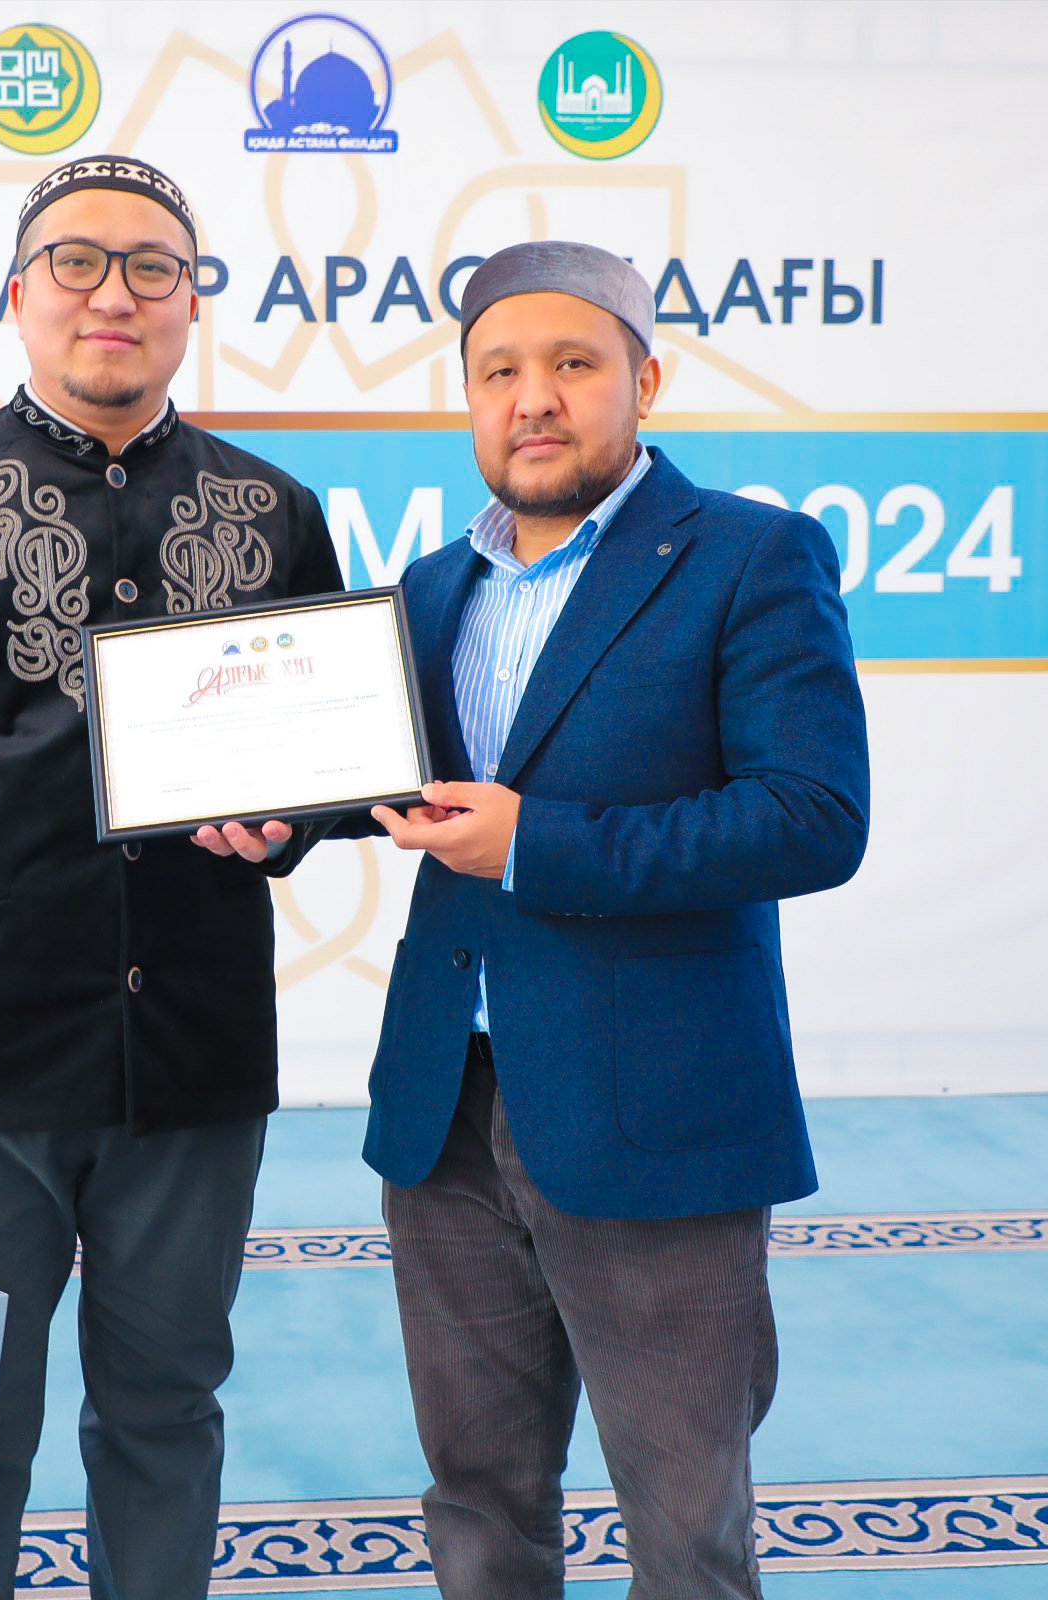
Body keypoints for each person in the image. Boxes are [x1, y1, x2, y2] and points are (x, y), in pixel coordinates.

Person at [0, 154, 342, 1600]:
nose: (115, 294)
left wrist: (286, 823)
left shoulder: (273, 509)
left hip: (193, 1057)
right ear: (17, 293)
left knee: (168, 1407)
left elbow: (321, 765)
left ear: (193, 301)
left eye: (154, 266)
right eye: (78, 262)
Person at [361, 240, 870, 1598]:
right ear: (469, 400)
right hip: (446, 1106)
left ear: (644, 381)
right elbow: (395, 791)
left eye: (572, 364)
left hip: (657, 1114)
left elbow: (812, 815)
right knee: (477, 1506)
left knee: (687, 1533)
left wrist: (540, 844)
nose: (532, 398)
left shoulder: (752, 556)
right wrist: (270, 821)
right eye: (498, 373)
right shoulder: (430, 588)